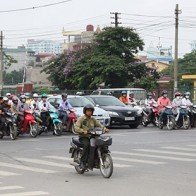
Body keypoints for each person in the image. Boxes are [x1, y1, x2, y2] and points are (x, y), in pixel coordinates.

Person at [74, 104, 109, 170]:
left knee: (101, 144)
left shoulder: (93, 119)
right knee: (87, 145)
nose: (89, 112)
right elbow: (76, 127)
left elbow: (99, 124)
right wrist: (83, 130)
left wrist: (104, 128)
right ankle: (82, 162)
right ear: (85, 111)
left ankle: (95, 160)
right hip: (83, 137)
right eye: (88, 111)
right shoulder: (81, 119)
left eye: (91, 111)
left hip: (92, 136)